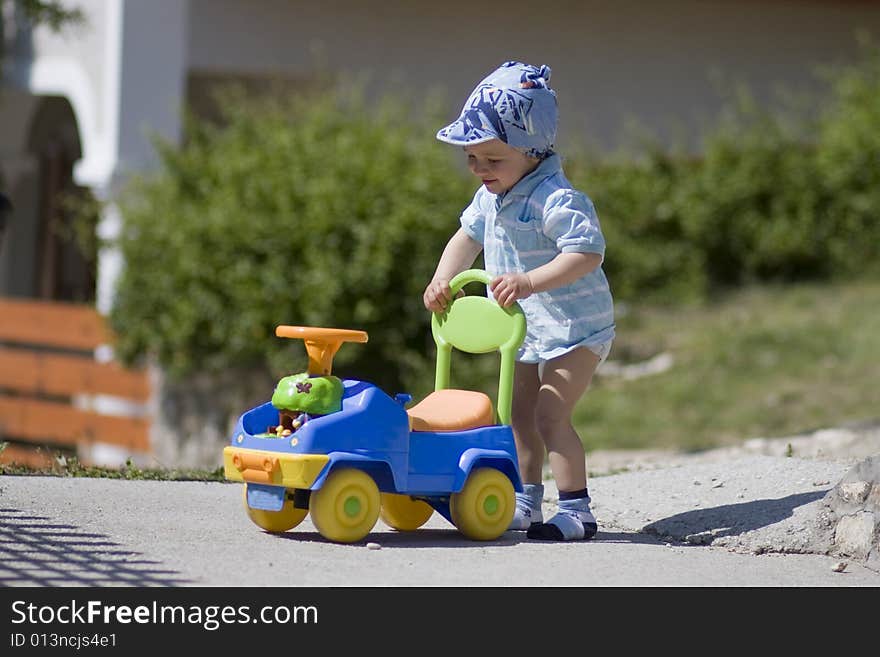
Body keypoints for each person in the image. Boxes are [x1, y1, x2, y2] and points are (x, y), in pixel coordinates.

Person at [423, 61, 615, 541]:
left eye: (493, 159)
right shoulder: (490, 196)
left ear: (531, 150)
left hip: (577, 326)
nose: (480, 169)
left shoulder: (556, 197)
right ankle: (527, 500)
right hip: (526, 326)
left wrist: (530, 281)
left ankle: (578, 511)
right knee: (517, 416)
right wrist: (442, 279)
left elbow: (587, 252)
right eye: (472, 158)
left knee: (551, 415)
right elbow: (465, 238)